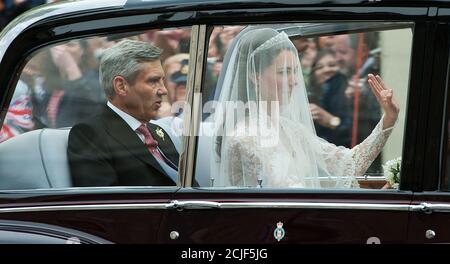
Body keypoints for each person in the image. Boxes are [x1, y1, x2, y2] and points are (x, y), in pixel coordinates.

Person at [210, 27, 399, 188]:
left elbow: (350, 163)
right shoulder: (245, 136)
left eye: (294, 72)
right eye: (283, 72)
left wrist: (389, 118)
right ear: (255, 76)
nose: (293, 82)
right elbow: (289, 192)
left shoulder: (290, 129)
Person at [67, 40, 179, 187]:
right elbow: (105, 204)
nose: (163, 90)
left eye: (162, 81)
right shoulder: (90, 134)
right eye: (153, 81)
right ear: (121, 86)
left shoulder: (157, 132)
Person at [308, 49, 352, 147]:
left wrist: (331, 120)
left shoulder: (349, 93)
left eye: (332, 65)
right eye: (319, 67)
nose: (326, 69)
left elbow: (356, 133)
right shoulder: (309, 97)